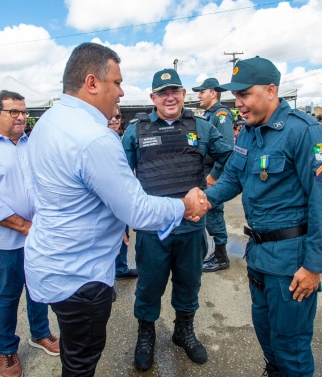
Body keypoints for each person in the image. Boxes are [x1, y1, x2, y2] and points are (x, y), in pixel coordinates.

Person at [24, 42, 210, 377]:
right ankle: (146, 334)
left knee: (74, 353)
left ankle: (184, 329)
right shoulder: (95, 138)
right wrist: (185, 205)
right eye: (117, 82)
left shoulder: (49, 121)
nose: (122, 92)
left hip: (51, 264)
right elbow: (136, 210)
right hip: (79, 276)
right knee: (81, 364)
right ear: (93, 83)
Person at [204, 57, 322, 376]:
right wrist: (200, 200)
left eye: (245, 95)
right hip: (259, 257)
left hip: (292, 264)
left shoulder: (306, 132)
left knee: (291, 347)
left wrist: (314, 265)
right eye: (235, 97)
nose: (238, 104)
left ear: (271, 90)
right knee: (267, 336)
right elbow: (232, 178)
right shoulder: (249, 132)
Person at [123, 69, 232, 371]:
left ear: (184, 94)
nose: (169, 97)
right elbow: (119, 179)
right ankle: (146, 334)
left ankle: (184, 330)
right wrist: (122, 222)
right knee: (149, 286)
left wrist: (212, 192)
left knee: (189, 283)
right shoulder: (136, 130)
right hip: (151, 228)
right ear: (152, 98)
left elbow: (232, 160)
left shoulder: (204, 127)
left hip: (191, 227)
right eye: (162, 92)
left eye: (175, 91)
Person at [0, 90, 60, 377]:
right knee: (8, 293)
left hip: (39, 235)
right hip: (5, 239)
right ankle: (7, 349)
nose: (21, 117)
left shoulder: (36, 146)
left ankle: (40, 333)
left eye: (23, 111)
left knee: (38, 287)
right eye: (13, 112)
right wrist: (25, 226)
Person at [192, 77, 235, 272]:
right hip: (206, 169)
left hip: (213, 171)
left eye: (202, 92)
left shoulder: (222, 114)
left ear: (213, 93)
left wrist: (215, 175)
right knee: (209, 211)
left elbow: (226, 149)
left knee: (215, 211)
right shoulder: (209, 115)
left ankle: (221, 256)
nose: (199, 95)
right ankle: (216, 253)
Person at [107, 111, 138, 285]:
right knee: (107, 238)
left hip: (122, 196)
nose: (114, 120)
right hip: (105, 199)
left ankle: (121, 269)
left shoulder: (122, 139)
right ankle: (105, 282)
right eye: (110, 117)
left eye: (117, 117)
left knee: (123, 234)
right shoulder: (97, 141)